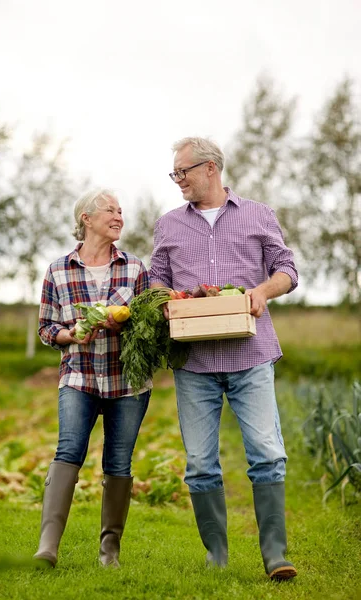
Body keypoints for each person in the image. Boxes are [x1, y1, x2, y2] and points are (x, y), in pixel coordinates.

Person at [149, 137, 298, 581]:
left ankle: (275, 555)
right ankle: (217, 556)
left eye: (183, 171)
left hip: (251, 355)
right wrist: (165, 300)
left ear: (210, 168)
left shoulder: (257, 214)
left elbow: (287, 270)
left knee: (267, 454)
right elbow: (157, 277)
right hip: (194, 362)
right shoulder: (169, 225)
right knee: (199, 463)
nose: (178, 180)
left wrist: (262, 292)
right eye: (174, 173)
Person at [34, 188, 150, 568]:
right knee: (68, 451)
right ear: (86, 218)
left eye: (121, 211)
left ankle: (109, 553)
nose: (119, 216)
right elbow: (46, 328)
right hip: (78, 376)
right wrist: (71, 334)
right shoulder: (58, 269)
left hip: (127, 381)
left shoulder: (134, 269)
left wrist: (128, 323)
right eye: (111, 211)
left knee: (118, 462)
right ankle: (47, 547)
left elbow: (148, 326)